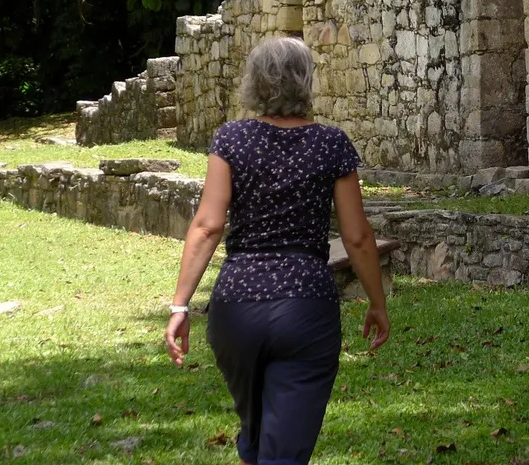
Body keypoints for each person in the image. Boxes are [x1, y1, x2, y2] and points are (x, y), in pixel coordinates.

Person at [164, 36, 390, 465]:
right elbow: (358, 236)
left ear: (255, 82)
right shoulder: (332, 144)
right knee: (281, 452)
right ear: (306, 81)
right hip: (304, 308)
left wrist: (180, 305)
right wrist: (376, 302)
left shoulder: (231, 139)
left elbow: (209, 225)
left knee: (255, 439)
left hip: (235, 309)